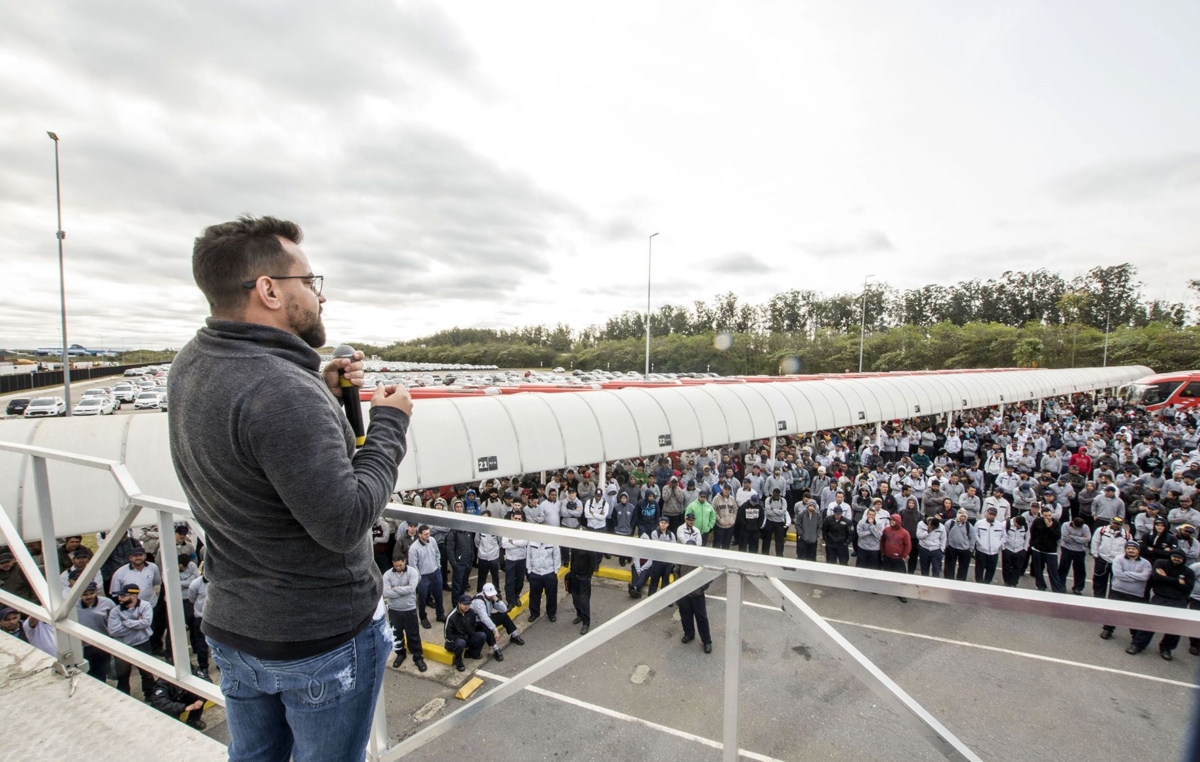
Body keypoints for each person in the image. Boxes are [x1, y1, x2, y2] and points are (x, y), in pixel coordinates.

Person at [168, 216, 413, 762]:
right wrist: (390, 425)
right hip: (316, 640)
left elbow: (258, 448)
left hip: (236, 625)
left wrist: (321, 389)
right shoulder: (279, 389)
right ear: (270, 290)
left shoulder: (193, 362)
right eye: (310, 280)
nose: (320, 296)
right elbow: (346, 521)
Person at [1128, 549, 1196, 659]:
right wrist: (1177, 581)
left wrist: (1166, 578)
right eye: (1175, 556)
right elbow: (1156, 578)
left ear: (1183, 560)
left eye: (1180, 558)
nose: (1177, 559)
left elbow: (1188, 588)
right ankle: (1137, 644)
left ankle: (1166, 649)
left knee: (1175, 627)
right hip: (1160, 597)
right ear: (1170, 556)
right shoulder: (1160, 563)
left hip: (1178, 601)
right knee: (1149, 623)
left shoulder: (1188, 572)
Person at [107, 583, 155, 697]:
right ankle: (124, 697)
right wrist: (137, 625)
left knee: (147, 673)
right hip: (122, 646)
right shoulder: (115, 611)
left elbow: (146, 622)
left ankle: (150, 696)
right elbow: (113, 631)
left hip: (142, 644)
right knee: (122, 675)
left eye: (123, 596)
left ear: (134, 595)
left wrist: (126, 623)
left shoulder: (145, 606)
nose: (119, 598)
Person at [1100, 541, 1152, 642]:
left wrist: (1126, 574)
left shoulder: (1146, 563)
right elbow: (1118, 574)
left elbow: (1145, 576)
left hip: (1136, 594)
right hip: (1118, 591)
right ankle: (1108, 629)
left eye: (1133, 549)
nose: (1131, 550)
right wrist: (1136, 578)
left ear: (1138, 550)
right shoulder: (1118, 559)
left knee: (1133, 617)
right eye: (1128, 548)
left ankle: (1135, 637)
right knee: (1113, 612)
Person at [383, 556, 426, 673]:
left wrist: (395, 589)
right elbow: (386, 592)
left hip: (409, 609)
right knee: (396, 635)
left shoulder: (412, 572)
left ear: (404, 562)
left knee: (413, 635)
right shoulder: (387, 575)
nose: (397, 567)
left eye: (400, 565)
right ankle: (400, 654)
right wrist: (403, 590)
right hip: (393, 610)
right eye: (395, 565)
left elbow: (412, 589)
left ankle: (418, 657)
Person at [676, 536, 713, 654]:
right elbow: (676, 571)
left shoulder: (701, 561)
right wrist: (680, 586)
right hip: (684, 593)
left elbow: (709, 577)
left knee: (701, 618)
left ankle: (707, 641)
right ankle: (689, 634)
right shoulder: (681, 559)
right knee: (685, 615)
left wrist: (701, 588)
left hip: (697, 594)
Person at [470, 583, 525, 655]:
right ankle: (495, 647)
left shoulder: (491, 597)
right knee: (486, 625)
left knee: (503, 615)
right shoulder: (478, 602)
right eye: (490, 595)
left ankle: (514, 635)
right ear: (484, 592)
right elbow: (484, 618)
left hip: (487, 617)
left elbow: (504, 609)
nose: (491, 596)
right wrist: (495, 630)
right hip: (477, 623)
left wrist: (497, 600)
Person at [76, 582, 115, 681]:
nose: (89, 597)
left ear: (96, 591)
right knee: (87, 674)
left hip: (103, 644)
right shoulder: (73, 606)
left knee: (101, 673)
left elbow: (115, 620)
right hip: (84, 646)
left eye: (91, 593)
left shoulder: (108, 603)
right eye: (85, 594)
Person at [410, 526, 445, 629]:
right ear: (419, 534)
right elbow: (413, 566)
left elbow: (437, 554)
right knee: (422, 599)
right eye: (425, 534)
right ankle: (423, 618)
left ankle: (440, 614)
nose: (428, 536)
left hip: (435, 573)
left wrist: (438, 566)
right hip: (423, 577)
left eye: (429, 533)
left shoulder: (432, 540)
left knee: (439, 596)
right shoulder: (413, 548)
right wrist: (419, 578)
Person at [1091, 517, 1133, 599]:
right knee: (1099, 581)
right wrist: (1095, 555)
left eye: (1118, 524)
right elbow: (1095, 542)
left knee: (1116, 583)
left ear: (1121, 525)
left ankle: (1112, 600)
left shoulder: (1127, 535)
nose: (1115, 525)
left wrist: (1125, 560)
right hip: (1102, 559)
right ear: (1110, 522)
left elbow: (1129, 548)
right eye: (1114, 523)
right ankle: (1098, 599)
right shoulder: (1101, 530)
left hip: (1118, 562)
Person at [444, 595, 487, 672]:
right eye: (464, 604)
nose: (466, 606)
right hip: (454, 642)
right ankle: (459, 663)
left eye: (468, 604)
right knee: (461, 643)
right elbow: (447, 636)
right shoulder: (451, 617)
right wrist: (460, 638)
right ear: (459, 604)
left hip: (467, 638)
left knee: (482, 635)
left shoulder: (471, 612)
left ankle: (473, 653)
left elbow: (474, 625)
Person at [1029, 507, 1066, 593]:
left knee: (1053, 571)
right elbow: (1032, 532)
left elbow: (1058, 536)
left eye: (1049, 515)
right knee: (1038, 570)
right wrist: (1033, 544)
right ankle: (1041, 586)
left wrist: (1050, 528)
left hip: (1050, 551)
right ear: (1042, 515)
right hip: (1038, 549)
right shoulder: (1037, 521)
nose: (1048, 517)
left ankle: (1056, 588)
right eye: (1045, 515)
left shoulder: (1056, 523)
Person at [567, 545, 599, 635]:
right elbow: (572, 559)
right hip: (574, 575)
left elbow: (592, 564)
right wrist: (571, 572)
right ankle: (579, 615)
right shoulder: (575, 546)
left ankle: (586, 623)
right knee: (575, 598)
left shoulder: (590, 548)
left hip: (584, 577)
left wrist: (588, 576)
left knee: (584, 601)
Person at [526, 541, 561, 623]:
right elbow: (528, 556)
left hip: (549, 572)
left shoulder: (552, 542)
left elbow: (556, 556)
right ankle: (534, 613)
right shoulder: (531, 541)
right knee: (534, 595)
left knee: (551, 595)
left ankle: (551, 613)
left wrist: (555, 571)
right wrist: (529, 570)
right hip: (535, 573)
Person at [501, 511, 530, 609]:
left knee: (520, 580)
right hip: (510, 559)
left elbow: (525, 542)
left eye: (519, 519)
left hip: (521, 558)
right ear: (512, 518)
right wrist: (518, 543)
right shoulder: (507, 530)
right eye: (515, 518)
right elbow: (504, 544)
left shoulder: (525, 530)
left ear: (522, 520)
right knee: (509, 582)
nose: (517, 520)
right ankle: (510, 601)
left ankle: (516, 596)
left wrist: (512, 542)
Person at [972, 507, 1005, 584]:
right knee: (979, 568)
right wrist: (980, 543)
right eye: (990, 514)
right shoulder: (979, 523)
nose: (991, 516)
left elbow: (1004, 536)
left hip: (994, 552)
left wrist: (998, 544)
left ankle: (987, 583)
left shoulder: (1000, 525)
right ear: (986, 513)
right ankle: (979, 582)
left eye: (993, 514)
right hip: (982, 550)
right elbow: (975, 534)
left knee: (991, 569)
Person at [1001, 515, 1030, 587]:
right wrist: (1003, 548)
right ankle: (1007, 582)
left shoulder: (1026, 526)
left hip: (1020, 550)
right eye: (1018, 525)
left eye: (1020, 526)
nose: (1019, 527)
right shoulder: (1005, 524)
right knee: (1006, 567)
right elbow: (1001, 536)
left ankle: (1014, 583)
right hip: (1008, 548)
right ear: (1014, 521)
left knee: (1017, 567)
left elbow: (1028, 537)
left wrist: (1025, 549)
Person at [943, 510, 973, 582]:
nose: (963, 518)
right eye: (961, 516)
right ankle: (948, 581)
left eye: (964, 516)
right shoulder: (949, 523)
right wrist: (946, 545)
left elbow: (972, 538)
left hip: (964, 550)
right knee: (949, 567)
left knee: (963, 568)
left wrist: (971, 549)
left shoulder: (969, 526)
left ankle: (960, 582)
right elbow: (945, 535)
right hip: (951, 548)